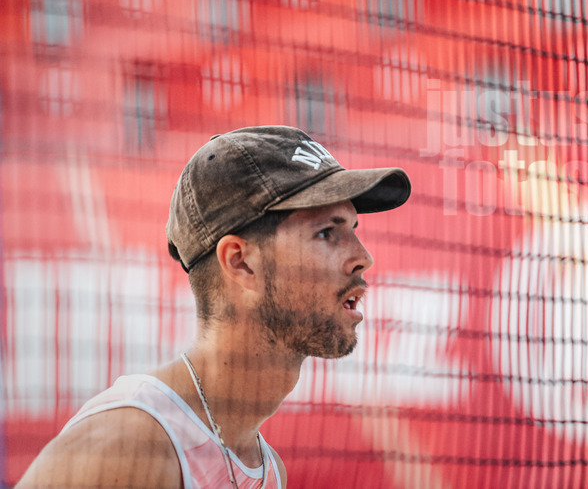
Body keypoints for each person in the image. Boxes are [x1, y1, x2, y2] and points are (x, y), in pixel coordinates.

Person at [16, 125, 412, 489]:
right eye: (326, 232)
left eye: (352, 230)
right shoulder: (130, 444)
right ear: (240, 262)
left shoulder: (266, 468)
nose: (363, 257)